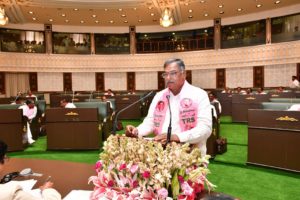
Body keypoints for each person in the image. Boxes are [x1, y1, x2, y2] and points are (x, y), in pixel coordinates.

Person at [125, 58, 212, 156]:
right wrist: (136, 131)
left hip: (190, 155)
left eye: (173, 73)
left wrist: (176, 137)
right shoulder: (159, 96)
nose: (168, 77)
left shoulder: (199, 94)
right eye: (165, 74)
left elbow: (205, 129)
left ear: (184, 74)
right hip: (161, 155)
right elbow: (150, 123)